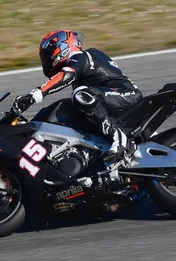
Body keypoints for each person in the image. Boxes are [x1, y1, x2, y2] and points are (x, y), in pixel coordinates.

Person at [12, 29, 145, 164]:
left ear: (61, 47)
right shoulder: (81, 71)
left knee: (80, 94)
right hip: (111, 100)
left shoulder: (80, 56)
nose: (46, 60)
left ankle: (120, 140)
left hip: (126, 95)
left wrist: (34, 95)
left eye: (47, 55)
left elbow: (67, 76)